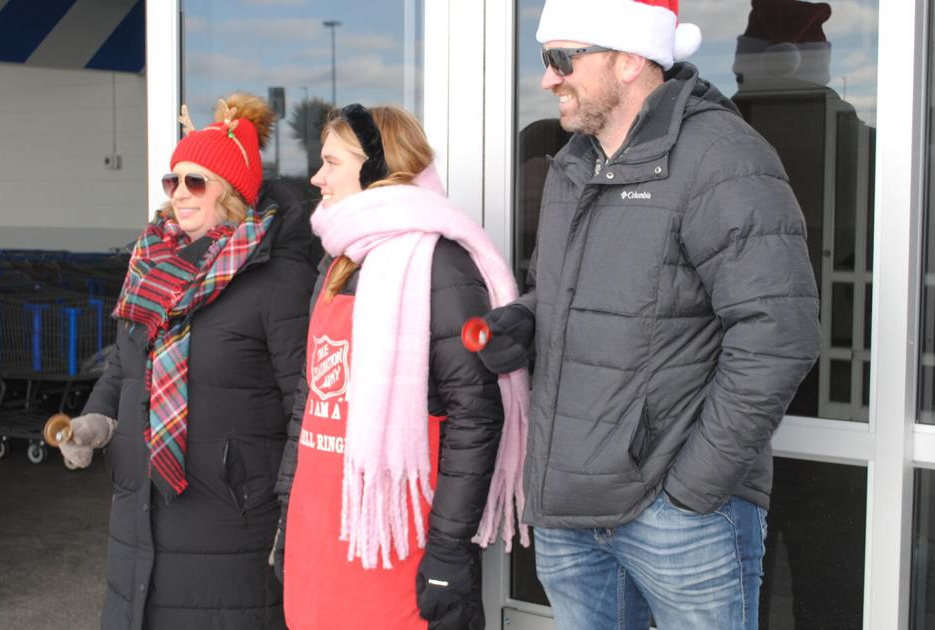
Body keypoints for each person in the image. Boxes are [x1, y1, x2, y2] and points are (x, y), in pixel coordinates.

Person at [473, 0, 823, 628]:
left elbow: (779, 334)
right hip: (570, 511)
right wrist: (526, 322)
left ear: (630, 58)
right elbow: (570, 293)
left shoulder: (721, 157)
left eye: (562, 59)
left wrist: (692, 490)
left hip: (676, 518)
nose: (548, 78)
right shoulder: (575, 165)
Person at [57, 92, 317, 630]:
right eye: (172, 182)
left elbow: (307, 402)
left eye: (195, 182)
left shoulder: (277, 277)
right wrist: (96, 420)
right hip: (139, 510)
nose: (180, 195)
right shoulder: (149, 264)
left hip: (231, 517)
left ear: (232, 192)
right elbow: (126, 366)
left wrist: (296, 509)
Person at [273, 104, 530, 630]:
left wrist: (448, 550)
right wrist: (286, 509)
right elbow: (311, 396)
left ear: (375, 167)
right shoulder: (339, 260)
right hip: (322, 525)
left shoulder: (438, 265)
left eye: (331, 162)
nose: (316, 178)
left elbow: (475, 417)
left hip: (397, 538)